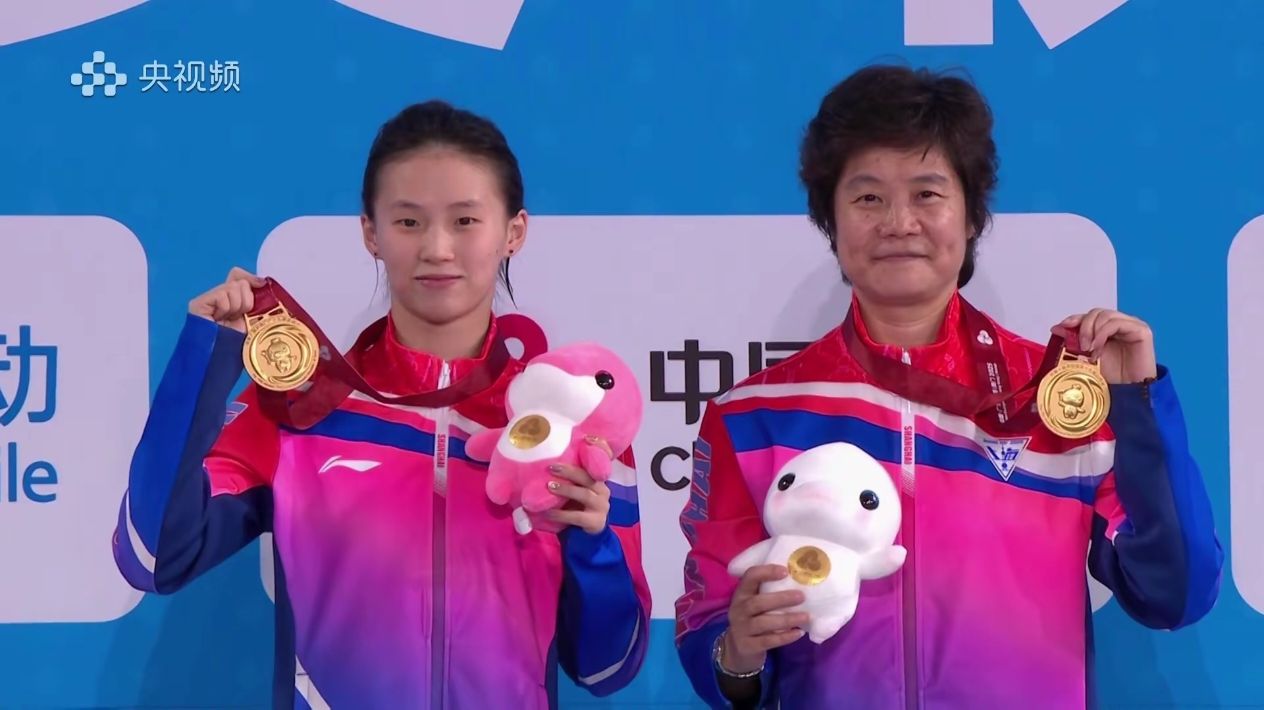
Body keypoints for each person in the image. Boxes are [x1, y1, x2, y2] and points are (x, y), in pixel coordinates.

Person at [673, 64, 1222, 709]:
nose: (898, 222)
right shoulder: (754, 418)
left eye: (927, 194)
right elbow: (711, 629)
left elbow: (1175, 593)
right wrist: (736, 655)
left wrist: (1137, 407)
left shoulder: (1055, 399)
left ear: (970, 217)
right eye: (868, 198)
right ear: (831, 221)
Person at [112, 100, 651, 708]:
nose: (438, 248)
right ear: (371, 233)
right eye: (409, 221)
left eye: (466, 220)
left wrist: (592, 546)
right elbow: (151, 554)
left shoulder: (570, 427)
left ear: (513, 232)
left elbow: (608, 667)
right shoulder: (303, 410)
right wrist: (205, 361)